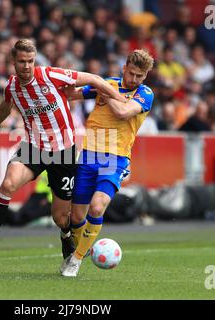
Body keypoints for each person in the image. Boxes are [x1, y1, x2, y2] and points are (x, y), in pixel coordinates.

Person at [0, 38, 126, 265]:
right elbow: (5, 106)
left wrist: (121, 99)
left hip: (63, 153)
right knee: (8, 184)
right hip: (34, 148)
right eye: (22, 61)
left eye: (30, 61)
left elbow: (96, 80)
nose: (26, 66)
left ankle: (66, 235)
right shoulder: (12, 86)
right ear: (13, 61)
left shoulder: (51, 75)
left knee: (60, 217)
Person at [60, 49, 155, 277]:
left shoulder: (145, 93)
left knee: (97, 205)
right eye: (131, 73)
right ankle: (84, 248)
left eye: (139, 76)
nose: (134, 80)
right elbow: (71, 95)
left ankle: (76, 260)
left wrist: (106, 92)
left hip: (116, 157)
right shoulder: (107, 83)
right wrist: (69, 78)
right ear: (124, 68)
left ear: (145, 77)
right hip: (89, 154)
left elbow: (123, 112)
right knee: (75, 217)